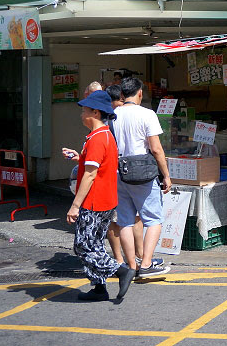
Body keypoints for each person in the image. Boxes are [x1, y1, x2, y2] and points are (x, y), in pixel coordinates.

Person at [67, 90, 134, 301]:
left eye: (84, 110)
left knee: (83, 246)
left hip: (94, 201)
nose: (81, 115)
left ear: (95, 113)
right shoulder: (104, 135)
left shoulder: (97, 138)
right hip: (106, 200)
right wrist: (79, 158)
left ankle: (120, 270)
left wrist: (75, 205)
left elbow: (90, 174)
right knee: (94, 244)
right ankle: (99, 288)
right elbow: (97, 167)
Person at [113, 78, 171, 278]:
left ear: (122, 94)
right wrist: (166, 174)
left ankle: (131, 265)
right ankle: (146, 264)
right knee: (153, 219)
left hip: (118, 172)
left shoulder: (112, 115)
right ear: (139, 93)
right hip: (143, 174)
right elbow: (155, 148)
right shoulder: (147, 114)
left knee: (125, 221)